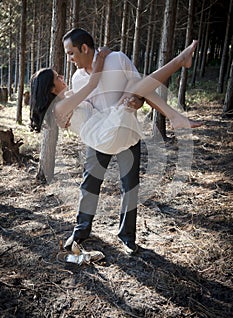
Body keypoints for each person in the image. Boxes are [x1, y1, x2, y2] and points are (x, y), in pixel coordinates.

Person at [61, 28, 201, 255]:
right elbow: (87, 109)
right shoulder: (78, 79)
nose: (69, 59)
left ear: (84, 48)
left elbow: (143, 89)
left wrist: (139, 103)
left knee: (130, 188)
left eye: (71, 53)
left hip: (127, 134)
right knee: (89, 185)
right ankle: (81, 231)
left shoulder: (117, 59)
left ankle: (127, 236)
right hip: (100, 138)